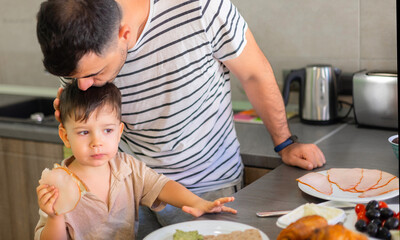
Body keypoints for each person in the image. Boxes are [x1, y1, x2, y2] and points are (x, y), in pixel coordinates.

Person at [36, 0, 326, 237]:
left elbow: (253, 74)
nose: (83, 85)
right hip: (134, 195)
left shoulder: (201, 7)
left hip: (209, 189)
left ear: (123, 34)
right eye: (76, 78)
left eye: (93, 74)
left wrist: (285, 143)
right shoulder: (79, 36)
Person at [34, 81, 237, 240]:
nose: (97, 142)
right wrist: (55, 216)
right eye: (84, 132)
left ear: (119, 132)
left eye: (107, 130)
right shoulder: (58, 185)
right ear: (65, 135)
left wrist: (198, 202)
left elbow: (161, 186)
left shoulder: (128, 167)